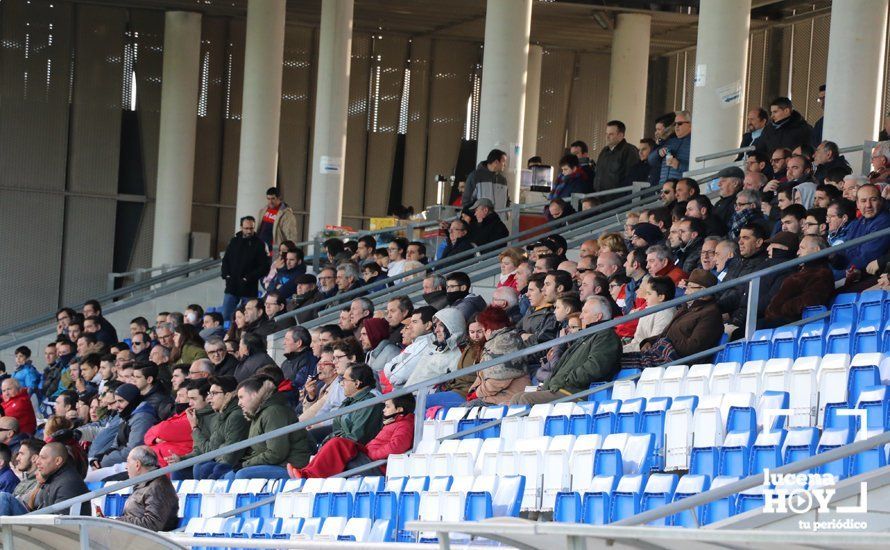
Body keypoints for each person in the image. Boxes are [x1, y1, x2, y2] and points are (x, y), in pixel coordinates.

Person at [512, 296, 621, 405]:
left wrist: (565, 380)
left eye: (585, 312)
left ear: (598, 316)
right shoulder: (587, 336)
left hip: (578, 393)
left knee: (525, 400)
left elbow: (595, 367)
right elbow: (561, 366)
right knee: (517, 398)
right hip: (564, 388)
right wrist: (548, 385)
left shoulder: (606, 336)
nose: (581, 316)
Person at [288, 393, 413, 479]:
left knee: (338, 443)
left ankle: (308, 475)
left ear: (399, 409)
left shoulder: (404, 425)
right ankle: (305, 473)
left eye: (387, 406)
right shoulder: (395, 422)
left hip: (376, 465)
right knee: (335, 443)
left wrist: (372, 454)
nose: (383, 410)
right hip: (370, 458)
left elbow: (396, 447)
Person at [622, 269, 724, 369]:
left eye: (690, 288)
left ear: (703, 290)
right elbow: (665, 334)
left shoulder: (711, 314)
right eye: (686, 288)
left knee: (621, 364)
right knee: (620, 360)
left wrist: (668, 339)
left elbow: (693, 348)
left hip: (678, 362)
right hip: (664, 352)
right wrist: (649, 341)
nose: (686, 292)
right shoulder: (686, 307)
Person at [227, 376, 313, 479]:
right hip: (277, 464)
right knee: (228, 475)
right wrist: (244, 462)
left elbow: (276, 453)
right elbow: (259, 450)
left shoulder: (274, 413)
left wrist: (245, 464)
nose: (239, 403)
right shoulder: (258, 415)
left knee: (242, 475)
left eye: (241, 397)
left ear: (254, 395)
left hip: (291, 467)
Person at [185, 376, 249, 480]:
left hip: (235, 464)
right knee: (197, 467)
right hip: (222, 461)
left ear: (227, 395)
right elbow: (211, 449)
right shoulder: (222, 414)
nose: (209, 398)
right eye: (209, 393)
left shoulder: (235, 416)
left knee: (204, 468)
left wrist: (194, 427)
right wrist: (181, 458)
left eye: (214, 393)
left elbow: (229, 456)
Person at [0, 442, 89, 515]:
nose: (37, 462)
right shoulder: (54, 478)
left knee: (4, 497)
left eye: (43, 458)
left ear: (58, 461)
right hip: (43, 525)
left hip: (52, 532)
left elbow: (61, 522)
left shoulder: (69, 483)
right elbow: (30, 503)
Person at [764, 235, 835, 326]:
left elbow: (810, 300)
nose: (798, 252)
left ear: (816, 250)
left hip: (792, 322)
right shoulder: (803, 271)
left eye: (802, 248)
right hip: (778, 319)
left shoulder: (822, 273)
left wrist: (782, 308)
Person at [467, 307, 529, 405]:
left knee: (466, 409)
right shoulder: (493, 342)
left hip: (508, 398)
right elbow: (482, 376)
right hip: (494, 396)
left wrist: (476, 394)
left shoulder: (504, 343)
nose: (482, 331)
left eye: (484, 327)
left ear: (490, 327)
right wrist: (472, 391)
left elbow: (498, 380)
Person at [111, 446, 179, 530]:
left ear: (137, 465)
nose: (126, 467)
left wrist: (118, 522)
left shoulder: (157, 487)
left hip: (147, 540)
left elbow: (153, 524)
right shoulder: (146, 482)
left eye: (128, 462)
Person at [221, 216, 270, 321]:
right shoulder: (234, 241)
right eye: (246, 228)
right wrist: (226, 275)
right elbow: (226, 260)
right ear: (241, 227)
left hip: (249, 288)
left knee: (248, 318)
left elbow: (264, 267)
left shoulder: (260, 244)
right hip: (232, 285)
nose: (249, 231)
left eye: (251, 228)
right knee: (226, 316)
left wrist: (248, 278)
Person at [405, 308, 466, 387]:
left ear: (452, 326)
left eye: (441, 325)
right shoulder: (433, 347)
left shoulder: (458, 354)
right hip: (407, 394)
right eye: (435, 326)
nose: (436, 330)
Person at [624, 277, 676, 353]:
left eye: (649, 293)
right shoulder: (648, 310)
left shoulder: (666, 314)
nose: (645, 297)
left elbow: (654, 343)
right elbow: (637, 339)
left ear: (661, 297)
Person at [595, 120, 640, 191]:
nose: (607, 137)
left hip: (618, 198)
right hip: (601, 197)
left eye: (611, 134)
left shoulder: (629, 151)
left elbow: (631, 177)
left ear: (620, 135)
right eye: (606, 134)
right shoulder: (604, 151)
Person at [651, 110, 691, 184]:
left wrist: (678, 165)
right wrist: (658, 153)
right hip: (663, 187)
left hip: (680, 189)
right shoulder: (669, 140)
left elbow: (697, 169)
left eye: (679, 123)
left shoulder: (694, 143)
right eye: (675, 124)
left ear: (690, 124)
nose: (676, 127)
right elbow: (651, 161)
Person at [12, 438, 43, 503]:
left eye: (21, 454)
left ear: (34, 458)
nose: (17, 458)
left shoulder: (40, 482)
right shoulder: (25, 481)